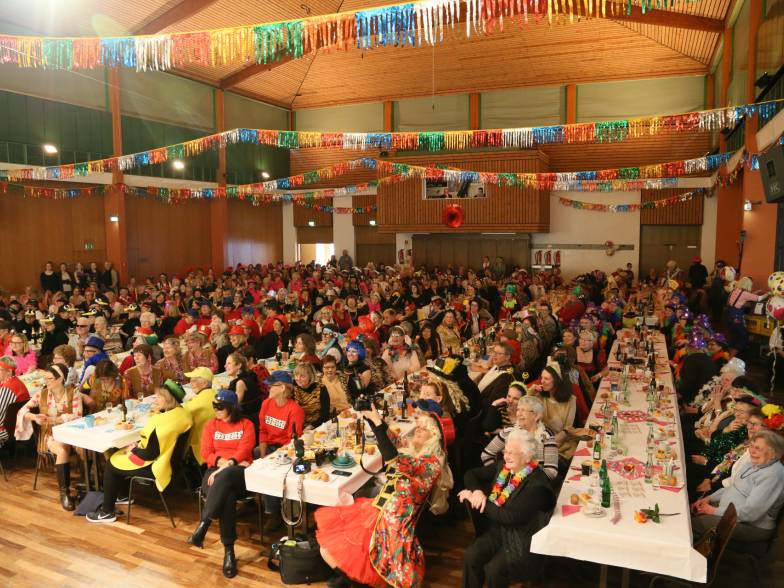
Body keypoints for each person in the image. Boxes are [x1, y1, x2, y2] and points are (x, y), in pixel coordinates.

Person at [316, 405, 447, 588]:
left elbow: (395, 459)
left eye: (424, 429)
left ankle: (355, 582)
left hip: (392, 522)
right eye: (418, 426)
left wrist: (377, 423)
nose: (418, 430)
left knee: (331, 552)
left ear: (434, 437)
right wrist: (373, 418)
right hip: (380, 507)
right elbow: (394, 440)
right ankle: (351, 579)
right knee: (328, 550)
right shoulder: (417, 452)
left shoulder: (431, 465)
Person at [460, 429, 556, 588]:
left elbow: (510, 517)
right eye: (505, 451)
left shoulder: (538, 485)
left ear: (527, 457)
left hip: (523, 539)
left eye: (512, 453)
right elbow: (470, 474)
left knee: (493, 570)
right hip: (498, 531)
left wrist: (479, 500)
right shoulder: (503, 468)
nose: (506, 456)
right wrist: (477, 491)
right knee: (471, 555)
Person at [86, 380, 192, 523]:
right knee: (120, 453)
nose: (155, 399)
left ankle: (107, 512)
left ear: (169, 399)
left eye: (159, 397)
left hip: (156, 465)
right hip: (173, 462)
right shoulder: (184, 414)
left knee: (111, 464)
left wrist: (134, 449)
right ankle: (122, 495)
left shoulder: (159, 422)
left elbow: (149, 454)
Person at [186, 389, 255, 578]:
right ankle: (229, 552)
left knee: (227, 476)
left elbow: (245, 450)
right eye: (214, 405)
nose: (216, 409)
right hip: (215, 472)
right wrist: (219, 464)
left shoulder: (246, 424)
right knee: (227, 497)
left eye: (220, 406)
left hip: (239, 472)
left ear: (232, 407)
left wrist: (227, 465)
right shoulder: (211, 425)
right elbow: (205, 452)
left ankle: (204, 525)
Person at [692, 430, 784, 542]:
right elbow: (732, 488)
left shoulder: (773, 474)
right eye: (751, 446)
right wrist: (708, 499)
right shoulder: (753, 463)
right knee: (691, 511)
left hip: (750, 525)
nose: (752, 451)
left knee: (694, 524)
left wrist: (713, 511)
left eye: (758, 448)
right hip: (729, 513)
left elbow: (751, 512)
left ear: (773, 453)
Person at [15, 363, 83, 510]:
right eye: (45, 378)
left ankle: (85, 487)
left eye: (49, 378)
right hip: (51, 434)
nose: (45, 381)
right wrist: (35, 417)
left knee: (84, 448)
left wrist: (54, 419)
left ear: (60, 379)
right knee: (62, 449)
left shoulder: (74, 393)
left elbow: (78, 416)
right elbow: (22, 411)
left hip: (73, 432)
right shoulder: (42, 394)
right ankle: (64, 493)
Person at [257, 370, 304, 532]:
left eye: (271, 385)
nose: (268, 388)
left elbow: (293, 440)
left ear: (283, 388)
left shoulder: (295, 410)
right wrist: (263, 456)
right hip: (269, 447)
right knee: (259, 463)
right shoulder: (266, 404)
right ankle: (271, 510)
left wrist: (274, 457)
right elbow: (263, 431)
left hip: (285, 450)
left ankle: (275, 513)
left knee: (272, 470)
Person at [481, 395, 558, 481]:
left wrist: (532, 483)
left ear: (536, 416)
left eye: (523, 410)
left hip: (536, 483)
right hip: (508, 481)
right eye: (518, 409)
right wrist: (498, 474)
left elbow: (551, 470)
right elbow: (486, 454)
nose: (519, 414)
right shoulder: (508, 432)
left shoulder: (546, 435)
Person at [527, 358, 576, 434]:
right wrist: (530, 392)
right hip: (539, 438)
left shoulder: (571, 400)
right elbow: (522, 408)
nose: (542, 381)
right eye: (542, 378)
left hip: (560, 439)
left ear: (557, 381)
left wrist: (552, 440)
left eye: (546, 379)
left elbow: (568, 429)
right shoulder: (539, 397)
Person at [182, 366, 217, 465]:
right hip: (218, 443)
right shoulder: (216, 394)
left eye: (194, 380)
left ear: (204, 383)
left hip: (202, 450)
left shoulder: (194, 404)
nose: (190, 383)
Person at [225, 352, 262, 431]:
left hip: (248, 421)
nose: (225, 366)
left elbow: (234, 406)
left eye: (229, 363)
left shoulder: (240, 383)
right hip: (256, 416)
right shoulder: (250, 375)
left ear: (239, 365)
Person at [473, 343, 516, 407]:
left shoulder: (506, 377)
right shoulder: (498, 365)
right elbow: (488, 366)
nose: (494, 355)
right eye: (494, 352)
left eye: (499, 353)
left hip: (480, 406)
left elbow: (492, 402)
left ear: (507, 357)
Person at [0, 356, 30, 446]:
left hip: (8, 429)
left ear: (9, 371)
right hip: (15, 425)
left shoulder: (8, 387)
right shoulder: (15, 381)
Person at [293, 361, 329, 427]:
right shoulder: (293, 389)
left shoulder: (321, 388)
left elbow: (325, 413)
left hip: (318, 424)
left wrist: (312, 426)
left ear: (310, 376)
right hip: (300, 425)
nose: (298, 379)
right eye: (296, 375)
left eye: (302, 376)